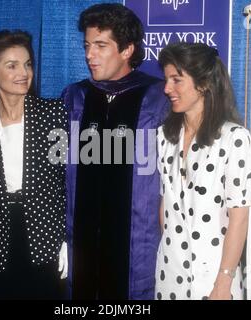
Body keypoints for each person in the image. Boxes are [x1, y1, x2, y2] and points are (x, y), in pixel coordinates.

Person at [62, 3, 169, 299]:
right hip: (81, 242)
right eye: (86, 45)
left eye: (100, 45)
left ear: (126, 50)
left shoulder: (158, 98)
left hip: (136, 245)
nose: (88, 55)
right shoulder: (76, 97)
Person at [0, 30, 68, 299]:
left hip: (47, 234)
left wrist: (70, 238)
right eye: (12, 65)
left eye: (28, 64)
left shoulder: (55, 115)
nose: (24, 72)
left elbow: (67, 180)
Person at [155, 42, 251, 300]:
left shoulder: (235, 138)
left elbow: (239, 218)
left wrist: (223, 283)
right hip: (169, 274)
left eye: (177, 80)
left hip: (215, 278)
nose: (167, 89)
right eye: (166, 80)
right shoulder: (164, 136)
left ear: (204, 83)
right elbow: (165, 203)